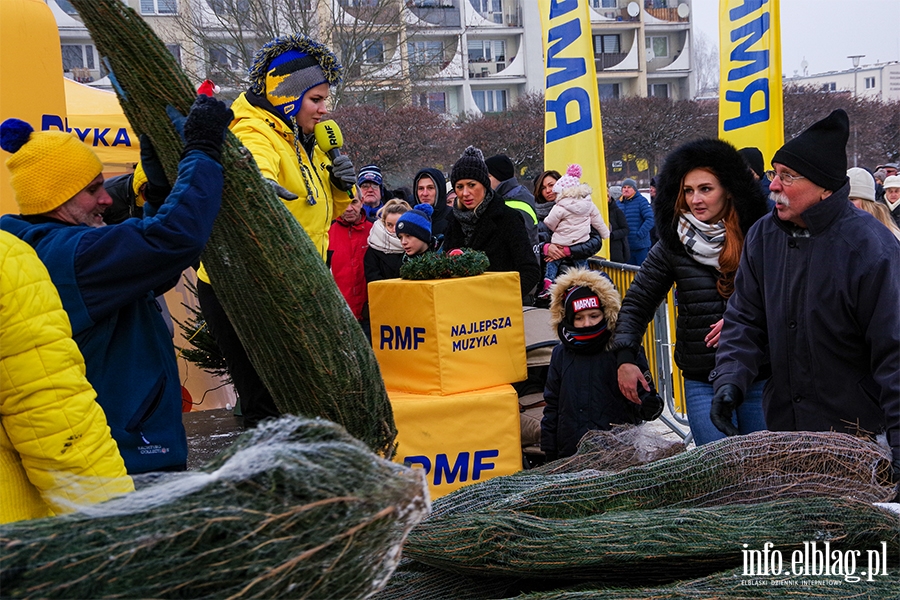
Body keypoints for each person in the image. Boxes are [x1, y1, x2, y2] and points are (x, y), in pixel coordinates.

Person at [0, 95, 231, 473]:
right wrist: (203, 148)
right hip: (125, 456)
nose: (107, 198)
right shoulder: (72, 256)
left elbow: (152, 270)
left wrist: (157, 189)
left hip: (119, 446)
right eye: (93, 190)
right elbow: (174, 241)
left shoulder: (46, 246)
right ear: (56, 197)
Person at [710, 110, 900, 481]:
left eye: (787, 177)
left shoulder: (870, 249)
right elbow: (745, 317)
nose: (774, 187)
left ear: (825, 187)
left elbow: (895, 354)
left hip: (857, 441)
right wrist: (730, 379)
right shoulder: (765, 235)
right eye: (773, 175)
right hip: (787, 434)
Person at [196, 34, 355, 428]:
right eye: (316, 100)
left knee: (296, 401)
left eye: (325, 100)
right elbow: (253, 166)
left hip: (291, 283)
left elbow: (325, 213)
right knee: (267, 406)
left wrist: (337, 181)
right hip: (246, 286)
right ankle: (269, 485)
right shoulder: (253, 130)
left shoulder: (299, 138)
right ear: (287, 95)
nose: (324, 111)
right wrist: (255, 185)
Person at [612, 138, 769, 445]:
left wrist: (746, 323)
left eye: (705, 189)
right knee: (718, 472)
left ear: (728, 189)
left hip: (759, 375)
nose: (695, 199)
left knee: (762, 474)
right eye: (688, 190)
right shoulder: (674, 243)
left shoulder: (761, 236)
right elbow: (637, 302)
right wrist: (626, 357)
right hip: (702, 377)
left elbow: (791, 298)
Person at [0, 231, 134, 524]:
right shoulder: (6, 260)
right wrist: (119, 531)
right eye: (91, 190)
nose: (106, 201)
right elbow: (51, 416)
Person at [541, 268, 662, 460]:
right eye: (579, 318)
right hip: (571, 452)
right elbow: (552, 404)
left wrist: (648, 403)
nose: (587, 323)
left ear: (606, 313)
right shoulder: (560, 354)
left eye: (594, 315)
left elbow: (644, 396)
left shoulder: (622, 350)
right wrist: (548, 448)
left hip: (617, 453)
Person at [444, 146, 541, 302]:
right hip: (462, 309)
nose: (465, 193)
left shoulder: (508, 218)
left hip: (501, 310)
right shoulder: (453, 221)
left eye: (471, 185)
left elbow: (530, 271)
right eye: (459, 187)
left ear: (484, 184)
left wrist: (501, 297)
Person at [538, 164, 609, 297]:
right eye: (543, 188)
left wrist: (568, 251)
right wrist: (545, 248)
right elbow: (530, 241)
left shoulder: (581, 207)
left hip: (573, 280)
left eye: (551, 185)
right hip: (543, 276)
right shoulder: (534, 213)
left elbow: (595, 241)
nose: (548, 190)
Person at [485, 154, 540, 263]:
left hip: (518, 272)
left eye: (488, 176)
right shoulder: (512, 197)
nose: (484, 181)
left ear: (500, 176)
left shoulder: (517, 203)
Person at [328, 196, 372, 323]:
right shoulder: (326, 230)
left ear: (362, 201)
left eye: (353, 202)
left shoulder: (375, 228)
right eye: (343, 203)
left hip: (369, 314)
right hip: (338, 315)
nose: (348, 209)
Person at [364, 199, 411, 284]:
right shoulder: (374, 249)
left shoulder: (416, 246)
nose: (394, 230)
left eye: (399, 225)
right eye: (389, 225)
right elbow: (374, 282)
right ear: (384, 224)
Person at [847, 167, 900, 241]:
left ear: (867, 202)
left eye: (852, 199)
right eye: (890, 191)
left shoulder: (889, 233)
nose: (847, 204)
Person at [617, 178, 654, 265]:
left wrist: (640, 233)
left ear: (634, 189)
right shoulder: (619, 203)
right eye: (624, 187)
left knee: (642, 272)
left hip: (640, 246)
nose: (626, 189)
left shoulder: (641, 201)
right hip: (626, 247)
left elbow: (650, 219)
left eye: (629, 187)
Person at [412, 168, 451, 238]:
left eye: (430, 188)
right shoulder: (410, 219)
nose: (425, 193)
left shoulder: (452, 218)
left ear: (440, 190)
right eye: (421, 188)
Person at [607, 187, 630, 264]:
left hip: (616, 249)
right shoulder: (597, 212)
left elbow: (625, 229)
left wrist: (613, 235)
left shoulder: (617, 211)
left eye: (607, 196)